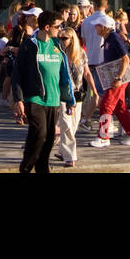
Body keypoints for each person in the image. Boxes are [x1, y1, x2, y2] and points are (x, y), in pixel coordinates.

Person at [11, 10, 74, 173]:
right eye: (58, 26)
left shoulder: (57, 45)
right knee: (40, 133)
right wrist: (18, 99)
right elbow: (17, 74)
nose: (61, 30)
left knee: (49, 139)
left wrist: (69, 99)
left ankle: (42, 168)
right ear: (47, 27)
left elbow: (64, 74)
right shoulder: (30, 45)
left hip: (53, 99)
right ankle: (25, 168)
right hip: (35, 97)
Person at [89, 10, 130, 147]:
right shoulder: (109, 38)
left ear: (104, 27)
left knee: (106, 105)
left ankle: (104, 136)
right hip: (117, 78)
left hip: (118, 78)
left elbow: (125, 59)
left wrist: (118, 78)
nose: (95, 27)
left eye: (97, 25)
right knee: (120, 108)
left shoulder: (114, 38)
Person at [56, 25, 93, 167]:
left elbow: (87, 73)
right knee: (66, 124)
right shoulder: (58, 53)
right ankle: (70, 156)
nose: (61, 41)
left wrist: (94, 90)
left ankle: (62, 151)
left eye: (64, 38)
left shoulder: (81, 54)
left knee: (74, 125)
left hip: (77, 93)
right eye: (60, 38)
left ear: (72, 39)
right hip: (63, 92)